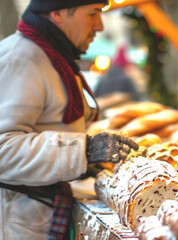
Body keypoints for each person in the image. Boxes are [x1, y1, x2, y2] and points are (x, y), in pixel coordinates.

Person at [0, 0, 139, 239]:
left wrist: (89, 163)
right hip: (21, 225)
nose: (99, 26)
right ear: (58, 13)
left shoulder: (52, 55)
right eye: (93, 13)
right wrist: (83, 151)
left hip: (41, 215)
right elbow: (3, 148)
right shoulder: (21, 58)